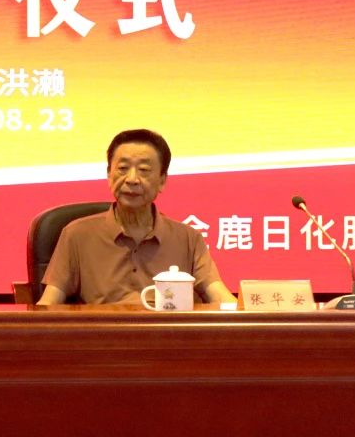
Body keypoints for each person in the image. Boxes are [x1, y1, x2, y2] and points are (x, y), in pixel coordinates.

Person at [38, 128, 235, 306]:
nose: (132, 179)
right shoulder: (76, 235)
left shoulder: (188, 238)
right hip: (104, 334)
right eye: (123, 168)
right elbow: (48, 306)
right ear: (109, 174)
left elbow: (220, 296)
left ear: (162, 180)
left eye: (144, 170)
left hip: (166, 334)